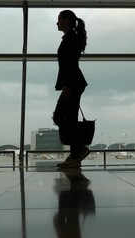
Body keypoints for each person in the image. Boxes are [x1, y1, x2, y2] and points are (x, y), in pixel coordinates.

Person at [53, 10, 90, 168]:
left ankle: (77, 152)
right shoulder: (71, 37)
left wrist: (67, 85)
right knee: (63, 117)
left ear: (67, 20)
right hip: (72, 83)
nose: (57, 23)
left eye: (59, 19)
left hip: (72, 83)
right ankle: (78, 150)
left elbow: (70, 64)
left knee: (64, 117)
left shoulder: (71, 39)